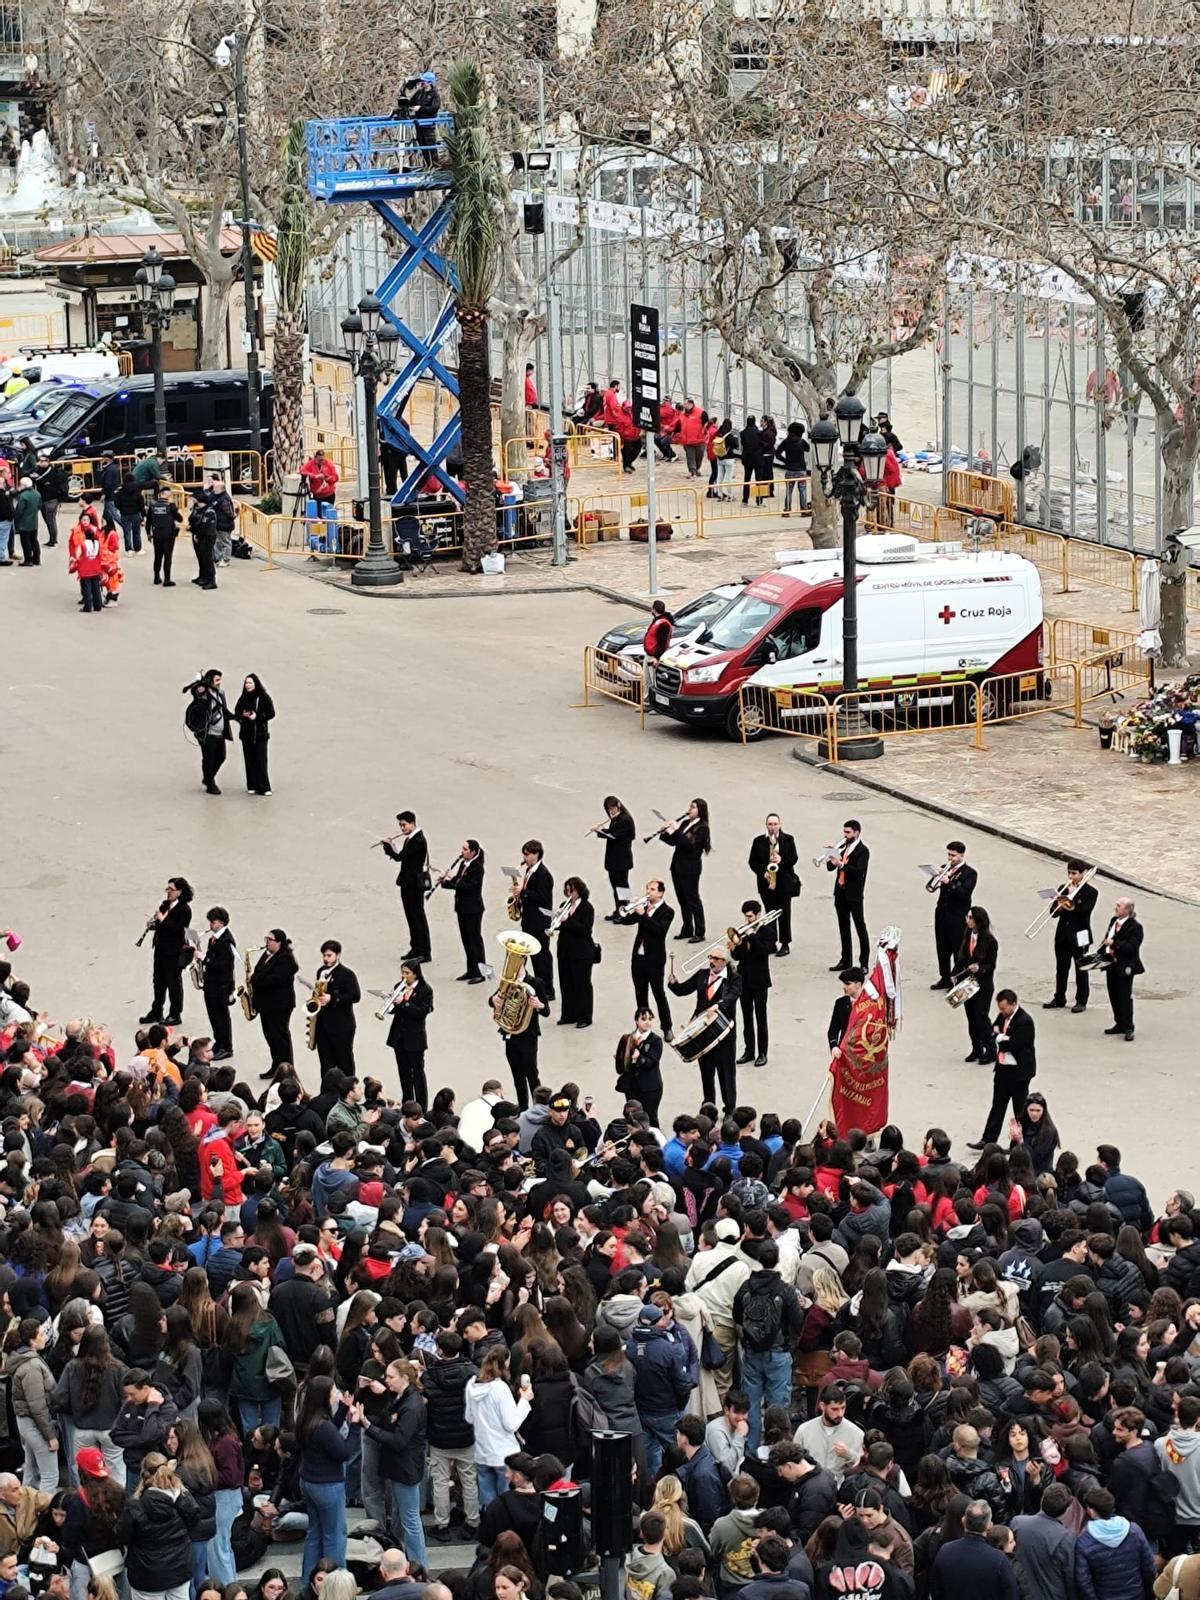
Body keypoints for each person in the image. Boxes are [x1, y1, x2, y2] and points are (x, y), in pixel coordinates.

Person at [295, 1376, 360, 1579]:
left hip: (308, 1481)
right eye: (334, 1392)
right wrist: (356, 1427)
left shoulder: (307, 1419)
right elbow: (343, 1452)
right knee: (335, 1536)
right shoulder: (322, 1427)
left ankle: (309, 1581)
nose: (338, 1394)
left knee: (314, 1533)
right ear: (324, 1396)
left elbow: (331, 1429)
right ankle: (336, 1583)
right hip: (327, 1485)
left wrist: (341, 1410)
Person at [114, 1452, 200, 1600]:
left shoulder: (136, 1506)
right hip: (178, 1570)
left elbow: (123, 1536)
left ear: (144, 1475)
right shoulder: (184, 1498)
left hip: (147, 1575)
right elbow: (194, 1523)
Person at [668, 946, 741, 1111]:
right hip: (703, 1032)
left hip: (724, 1033)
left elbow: (734, 995)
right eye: (710, 957)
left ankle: (730, 1107)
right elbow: (683, 990)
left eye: (715, 958)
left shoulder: (733, 978)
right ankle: (709, 1106)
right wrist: (674, 983)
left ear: (724, 961)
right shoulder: (702, 975)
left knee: (726, 1073)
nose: (711, 961)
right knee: (706, 1072)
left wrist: (719, 1005)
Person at [969, 989, 1036, 1151]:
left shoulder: (1024, 1021)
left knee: (1020, 1109)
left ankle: (1018, 1143)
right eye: (1000, 1008)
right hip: (1003, 1070)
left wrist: (1000, 1039)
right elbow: (993, 1031)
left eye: (1004, 1008)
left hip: (1018, 1072)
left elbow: (1014, 1044)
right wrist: (1000, 1037)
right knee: (997, 1106)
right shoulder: (1003, 1017)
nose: (1001, 1011)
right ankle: (988, 1139)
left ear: (1013, 1004)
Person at [928, 1499, 1016, 1600]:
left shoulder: (945, 1551)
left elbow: (936, 1591)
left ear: (964, 1521)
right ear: (989, 1525)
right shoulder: (999, 1560)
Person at [1044, 860, 1098, 1014]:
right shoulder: (1062, 888)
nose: (1070, 876)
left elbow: (1084, 911)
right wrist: (1059, 904)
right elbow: (1053, 914)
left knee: (1081, 967)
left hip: (1080, 934)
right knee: (1061, 968)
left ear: (1082, 874)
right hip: (1063, 934)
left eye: (1074, 873)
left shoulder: (1091, 892)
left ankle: (1081, 1000)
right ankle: (1059, 997)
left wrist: (1072, 897)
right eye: (1069, 873)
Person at [624, 879, 675, 1041]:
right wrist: (630, 907)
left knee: (658, 993)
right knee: (640, 994)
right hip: (638, 958)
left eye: (652, 889)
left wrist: (643, 915)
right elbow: (626, 920)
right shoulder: (644, 906)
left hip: (654, 959)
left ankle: (667, 1027)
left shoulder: (667, 911)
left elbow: (659, 930)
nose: (649, 892)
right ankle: (642, 1026)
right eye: (647, 888)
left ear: (661, 893)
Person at [140, 876, 194, 1027]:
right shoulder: (166, 905)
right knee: (158, 981)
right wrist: (153, 924)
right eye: (168, 889)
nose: (168, 892)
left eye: (171, 889)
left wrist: (162, 919)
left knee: (173, 982)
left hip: (173, 951)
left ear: (180, 892)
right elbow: (160, 924)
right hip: (161, 948)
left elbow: (175, 928)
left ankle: (175, 1014)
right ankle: (156, 1010)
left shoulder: (184, 909)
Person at [380, 813, 432, 964]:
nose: (402, 828)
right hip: (408, 883)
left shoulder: (417, 840)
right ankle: (415, 947)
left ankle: (424, 951)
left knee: (417, 917)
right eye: (400, 826)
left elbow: (400, 857)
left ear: (412, 823)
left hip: (414, 885)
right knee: (411, 916)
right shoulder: (411, 838)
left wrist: (388, 846)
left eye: (404, 825)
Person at [658, 800, 711, 943]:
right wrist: (665, 832)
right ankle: (687, 928)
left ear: (700, 810)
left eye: (693, 807)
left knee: (693, 899)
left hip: (690, 868)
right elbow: (675, 841)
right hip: (677, 866)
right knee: (682, 899)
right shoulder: (685, 823)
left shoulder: (702, 828)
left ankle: (700, 931)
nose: (690, 810)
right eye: (690, 807)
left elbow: (689, 845)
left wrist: (676, 830)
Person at [732, 899, 776, 1069]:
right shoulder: (743, 932)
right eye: (746, 916)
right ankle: (749, 1050)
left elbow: (763, 952)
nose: (747, 919)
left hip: (760, 980)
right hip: (744, 979)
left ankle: (762, 1052)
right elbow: (737, 956)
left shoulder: (768, 932)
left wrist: (752, 935)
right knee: (746, 1016)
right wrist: (735, 944)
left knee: (760, 1016)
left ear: (758, 915)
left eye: (750, 916)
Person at [748, 813, 799, 957]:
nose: (773, 827)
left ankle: (785, 943)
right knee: (770, 914)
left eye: (775, 824)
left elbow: (793, 858)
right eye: (770, 824)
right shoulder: (758, 841)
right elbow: (752, 861)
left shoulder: (788, 840)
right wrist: (762, 873)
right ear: (766, 825)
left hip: (784, 883)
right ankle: (771, 942)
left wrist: (781, 859)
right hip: (767, 883)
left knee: (784, 913)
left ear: (780, 825)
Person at [929, 842, 978, 990]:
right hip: (942, 914)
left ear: (962, 855)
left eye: (953, 855)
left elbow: (964, 893)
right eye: (949, 854)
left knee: (958, 950)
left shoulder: (970, 873)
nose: (950, 858)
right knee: (942, 948)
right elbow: (932, 887)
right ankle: (945, 977)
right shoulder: (946, 868)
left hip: (958, 916)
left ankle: (958, 978)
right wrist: (936, 877)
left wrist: (949, 882)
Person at [385, 960, 433, 1106]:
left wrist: (404, 1003)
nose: (404, 976)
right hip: (399, 1037)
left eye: (407, 973)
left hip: (415, 1038)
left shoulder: (425, 990)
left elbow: (420, 1013)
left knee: (417, 1073)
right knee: (403, 1072)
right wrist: (391, 1002)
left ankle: (421, 1105)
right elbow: (394, 1011)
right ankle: (407, 1102)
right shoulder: (399, 987)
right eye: (402, 972)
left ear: (415, 974)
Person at [251, 929, 298, 1072]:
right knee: (270, 1036)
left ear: (279, 942)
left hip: (279, 1005)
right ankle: (276, 1065)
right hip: (266, 1005)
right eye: (266, 939)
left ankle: (286, 1068)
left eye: (270, 940)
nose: (267, 942)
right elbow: (258, 970)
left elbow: (274, 980)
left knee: (280, 1037)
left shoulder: (286, 959)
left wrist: (254, 979)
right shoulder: (267, 954)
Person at [514, 841, 555, 1002]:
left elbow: (544, 898)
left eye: (527, 854)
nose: (524, 857)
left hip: (539, 922)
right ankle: (540, 987)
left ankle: (547, 990)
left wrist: (523, 893)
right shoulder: (529, 870)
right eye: (523, 854)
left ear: (536, 854)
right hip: (529, 920)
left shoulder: (543, 874)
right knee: (534, 955)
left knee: (542, 957)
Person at [957, 906, 998, 1065]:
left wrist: (980, 968)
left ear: (977, 921)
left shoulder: (990, 941)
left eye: (970, 918)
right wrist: (955, 973)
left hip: (983, 985)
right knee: (971, 1018)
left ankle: (990, 1048)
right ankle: (976, 1048)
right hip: (968, 984)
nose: (967, 920)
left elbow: (991, 965)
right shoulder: (968, 934)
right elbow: (962, 956)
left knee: (981, 1017)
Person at [826, 821, 870, 971]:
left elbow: (858, 871)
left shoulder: (863, 851)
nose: (845, 835)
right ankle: (846, 960)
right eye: (844, 832)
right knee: (843, 927)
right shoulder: (843, 846)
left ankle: (864, 963)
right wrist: (831, 853)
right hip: (841, 892)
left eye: (848, 832)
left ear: (856, 833)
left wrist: (841, 865)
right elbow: (830, 867)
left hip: (854, 895)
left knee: (860, 927)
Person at [312, 941, 361, 1075]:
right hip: (324, 1026)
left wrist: (332, 998)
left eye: (329, 955)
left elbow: (355, 996)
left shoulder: (347, 975)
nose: (326, 959)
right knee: (326, 1063)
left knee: (344, 1062)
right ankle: (328, 1092)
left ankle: (348, 1092)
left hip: (341, 1027)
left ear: (338, 955)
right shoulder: (321, 972)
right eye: (324, 955)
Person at [554, 877, 596, 1029]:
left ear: (579, 890)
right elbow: (561, 926)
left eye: (571, 890)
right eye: (567, 890)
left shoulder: (587, 908)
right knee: (566, 983)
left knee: (582, 985)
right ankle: (568, 1015)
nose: (569, 893)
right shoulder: (564, 905)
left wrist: (567, 920)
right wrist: (556, 920)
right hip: (565, 951)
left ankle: (585, 1016)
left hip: (581, 952)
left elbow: (585, 929)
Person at [1101, 898, 1144, 1042]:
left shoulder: (1135, 927)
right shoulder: (1114, 921)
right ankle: (1119, 1023)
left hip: (1125, 966)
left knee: (1124, 996)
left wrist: (1114, 943)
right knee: (1113, 994)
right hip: (1111, 964)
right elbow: (1107, 938)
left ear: (1127, 910)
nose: (1115, 908)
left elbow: (1132, 947)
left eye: (1119, 906)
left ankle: (1128, 1027)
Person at [186, 668, 233, 795]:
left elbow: (224, 710)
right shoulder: (204, 694)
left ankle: (208, 777)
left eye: (220, 680)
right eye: (217, 680)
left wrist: (235, 717)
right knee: (209, 758)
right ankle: (210, 784)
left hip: (220, 734)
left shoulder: (220, 693)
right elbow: (196, 691)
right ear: (210, 680)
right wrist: (200, 685)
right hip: (208, 734)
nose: (219, 683)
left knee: (221, 757)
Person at [614, 1010, 664, 1128]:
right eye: (643, 1019)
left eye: (650, 1019)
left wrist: (639, 1057)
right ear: (636, 1021)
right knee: (632, 1118)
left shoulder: (655, 1041)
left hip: (650, 1087)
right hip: (632, 1086)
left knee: (651, 1118)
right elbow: (622, 1064)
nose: (647, 1022)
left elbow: (651, 1062)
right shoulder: (629, 1038)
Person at [198, 907, 237, 1060]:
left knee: (221, 1017)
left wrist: (204, 958)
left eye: (212, 922)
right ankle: (219, 1042)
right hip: (212, 985)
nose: (210, 925)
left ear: (220, 923)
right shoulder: (213, 939)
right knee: (213, 1016)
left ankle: (226, 1047)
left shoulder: (226, 941)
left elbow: (223, 965)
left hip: (221, 986)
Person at [595, 796, 636, 920]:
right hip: (614, 859)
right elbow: (613, 832)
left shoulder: (625, 820)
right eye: (609, 809)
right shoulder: (616, 819)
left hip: (621, 860)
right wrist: (602, 830)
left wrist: (600, 831)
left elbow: (614, 836)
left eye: (612, 808)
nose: (611, 811)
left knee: (622, 886)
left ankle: (625, 911)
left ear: (618, 804)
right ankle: (619, 910)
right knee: (616, 887)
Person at [233, 675, 274, 797]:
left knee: (261, 761)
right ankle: (251, 785)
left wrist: (257, 717)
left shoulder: (264, 697)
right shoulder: (243, 698)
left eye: (250, 683)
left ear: (256, 684)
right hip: (246, 735)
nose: (248, 685)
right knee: (249, 760)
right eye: (246, 683)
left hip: (260, 735)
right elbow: (237, 712)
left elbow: (271, 713)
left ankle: (264, 787)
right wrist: (243, 715)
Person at [67, 504, 104, 614]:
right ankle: (97, 606)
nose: (85, 521)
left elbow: (77, 554)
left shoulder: (83, 544)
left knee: (86, 587)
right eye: (83, 519)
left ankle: (87, 606)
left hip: (85, 568)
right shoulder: (96, 540)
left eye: (86, 519)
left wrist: (74, 560)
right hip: (95, 567)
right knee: (96, 587)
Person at [146, 484, 182, 586]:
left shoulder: (152, 506)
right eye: (169, 495)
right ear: (165, 495)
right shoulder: (171, 506)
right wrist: (175, 510)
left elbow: (148, 522)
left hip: (157, 534)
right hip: (169, 534)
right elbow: (180, 519)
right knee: (167, 557)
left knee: (157, 556)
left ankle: (156, 577)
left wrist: (148, 534)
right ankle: (167, 579)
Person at [775, 422, 809, 514]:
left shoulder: (786, 442)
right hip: (801, 469)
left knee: (788, 491)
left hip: (789, 469)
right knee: (802, 490)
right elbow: (808, 448)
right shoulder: (802, 442)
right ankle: (804, 509)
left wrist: (785, 461)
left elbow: (777, 453)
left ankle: (787, 509)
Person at [34, 458, 68, 549]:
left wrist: (33, 476)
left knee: (50, 520)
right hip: (44, 499)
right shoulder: (39, 470)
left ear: (48, 462)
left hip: (51, 499)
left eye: (42, 461)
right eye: (39, 461)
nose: (40, 463)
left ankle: (53, 540)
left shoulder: (51, 472)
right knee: (48, 520)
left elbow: (40, 480)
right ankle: (53, 538)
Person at [188, 491, 218, 590]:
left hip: (207, 538)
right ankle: (203, 576)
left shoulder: (209, 512)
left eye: (194, 500)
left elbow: (205, 527)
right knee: (201, 558)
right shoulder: (198, 509)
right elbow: (192, 520)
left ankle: (211, 580)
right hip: (198, 536)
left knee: (208, 559)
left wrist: (198, 535)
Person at [114, 473, 143, 555]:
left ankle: (129, 549)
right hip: (135, 513)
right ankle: (138, 548)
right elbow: (141, 502)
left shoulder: (120, 492)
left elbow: (116, 503)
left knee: (127, 532)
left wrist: (121, 509)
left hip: (124, 514)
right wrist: (143, 513)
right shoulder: (137, 490)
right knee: (136, 532)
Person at [14, 474, 40, 565]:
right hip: (34, 522)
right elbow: (40, 506)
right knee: (34, 541)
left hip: (24, 523)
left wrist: (16, 522)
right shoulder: (37, 494)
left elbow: (19, 511)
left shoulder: (23, 496)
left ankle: (28, 560)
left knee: (26, 543)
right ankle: (37, 559)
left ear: (24, 486)